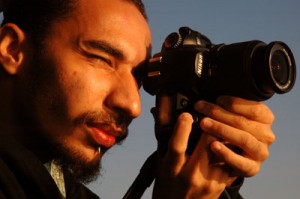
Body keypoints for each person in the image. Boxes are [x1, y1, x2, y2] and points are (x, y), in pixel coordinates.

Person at [0, 0, 276, 198]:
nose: (133, 105)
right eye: (102, 59)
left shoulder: (54, 184)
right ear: (13, 49)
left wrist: (216, 175)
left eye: (139, 78)